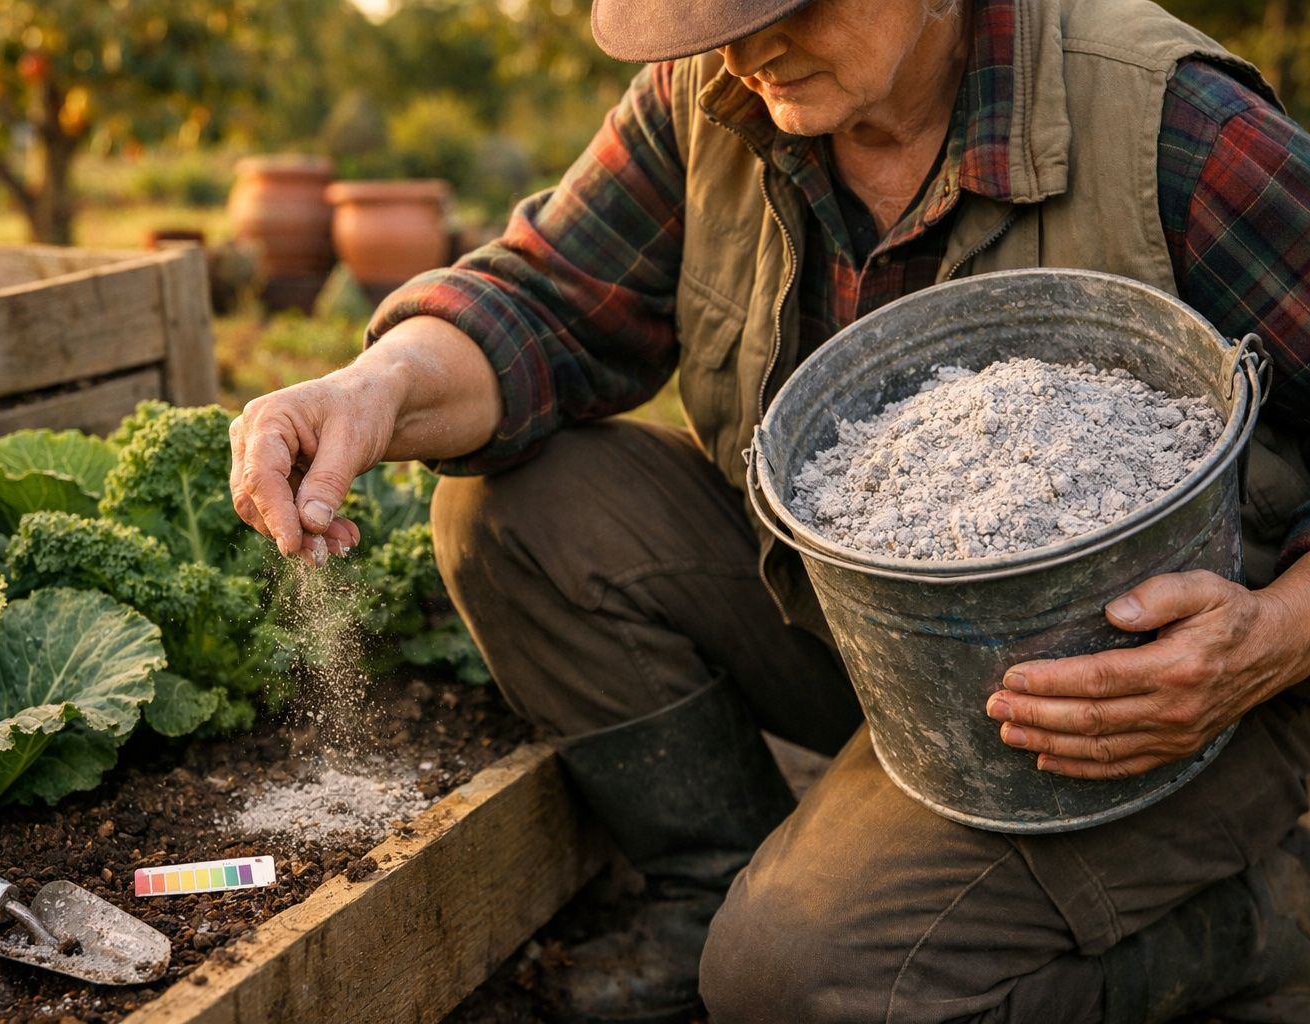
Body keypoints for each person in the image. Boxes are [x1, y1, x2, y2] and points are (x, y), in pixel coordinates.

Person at [230, 0, 1310, 1018]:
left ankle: (1257, 923)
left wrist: (1265, 642)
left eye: (783, 6)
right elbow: (541, 299)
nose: (748, 49)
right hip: (884, 646)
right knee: (518, 510)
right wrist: (367, 392)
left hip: (1144, 707)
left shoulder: (1172, 127)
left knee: (796, 983)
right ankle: (716, 876)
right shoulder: (716, 94)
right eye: (719, 17)